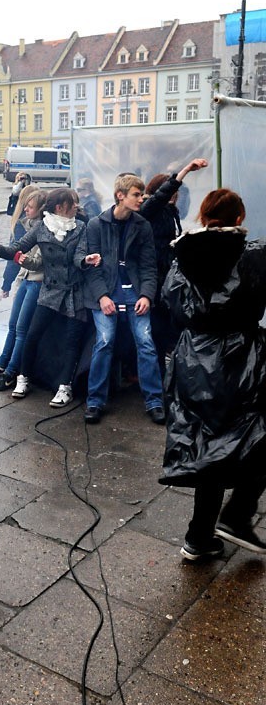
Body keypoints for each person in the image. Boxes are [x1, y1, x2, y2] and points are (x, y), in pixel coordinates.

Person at [159, 189, 266, 560]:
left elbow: (172, 306)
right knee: (257, 433)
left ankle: (200, 537)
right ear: (239, 218)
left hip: (193, 360)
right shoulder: (254, 255)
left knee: (209, 443)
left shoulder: (180, 259)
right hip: (241, 358)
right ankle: (236, 514)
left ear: (204, 217)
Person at [0, 188, 101, 407]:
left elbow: (78, 256)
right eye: (72, 203)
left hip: (74, 292)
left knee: (71, 342)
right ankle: (23, 378)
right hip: (49, 290)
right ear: (59, 207)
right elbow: (18, 249)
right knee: (32, 334)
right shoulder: (42, 227)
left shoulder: (81, 227)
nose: (76, 206)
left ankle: (64, 387)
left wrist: (86, 260)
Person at [80, 173, 165, 425]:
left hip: (135, 293)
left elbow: (150, 267)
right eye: (136, 195)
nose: (141, 199)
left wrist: (147, 295)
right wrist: (103, 296)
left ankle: (154, 401)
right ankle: (94, 401)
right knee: (104, 341)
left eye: (141, 194)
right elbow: (91, 267)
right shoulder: (96, 224)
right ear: (121, 196)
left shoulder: (142, 225)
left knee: (146, 343)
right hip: (105, 294)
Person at [140, 158, 208, 374]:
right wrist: (186, 170)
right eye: (173, 193)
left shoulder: (171, 212)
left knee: (170, 324)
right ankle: (158, 371)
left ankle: (170, 367)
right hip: (155, 275)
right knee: (158, 327)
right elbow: (163, 194)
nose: (175, 197)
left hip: (168, 273)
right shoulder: (149, 208)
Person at [0, 190, 47, 392]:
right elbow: (15, 250)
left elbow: (39, 262)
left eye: (30, 206)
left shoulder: (46, 229)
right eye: (25, 205)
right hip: (25, 279)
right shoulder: (28, 225)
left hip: (37, 281)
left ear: (41, 209)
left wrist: (21, 259)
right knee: (12, 326)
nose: (26, 209)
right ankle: (2, 365)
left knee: (21, 330)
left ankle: (11, 372)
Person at [0, 184, 40, 298]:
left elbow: (15, 253)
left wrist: (6, 284)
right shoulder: (26, 221)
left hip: (27, 275)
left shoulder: (23, 223)